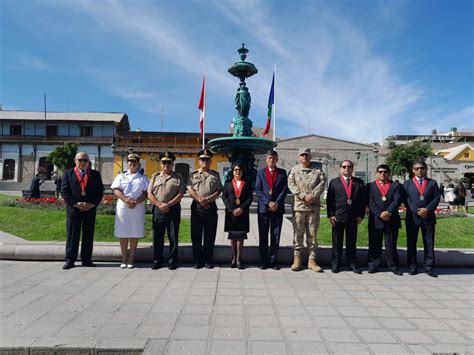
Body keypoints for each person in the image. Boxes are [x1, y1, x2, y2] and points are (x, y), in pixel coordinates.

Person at [61, 152, 104, 269]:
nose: (83, 163)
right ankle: (70, 260)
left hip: (89, 210)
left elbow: (100, 192)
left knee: (88, 236)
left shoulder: (95, 174)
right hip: (74, 210)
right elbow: (64, 192)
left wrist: (92, 204)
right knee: (72, 236)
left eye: (85, 160)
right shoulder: (68, 173)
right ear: (75, 160)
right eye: (80, 160)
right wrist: (75, 203)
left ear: (89, 162)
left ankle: (86, 259)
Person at [287, 148, 326, 272]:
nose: (305, 157)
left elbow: (322, 183)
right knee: (298, 232)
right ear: (299, 157)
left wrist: (312, 195)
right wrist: (303, 196)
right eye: (302, 155)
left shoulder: (318, 170)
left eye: (307, 155)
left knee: (312, 233)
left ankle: (312, 260)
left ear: (310, 156)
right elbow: (291, 184)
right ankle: (297, 258)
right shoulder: (294, 170)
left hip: (313, 207)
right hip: (299, 206)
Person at [148, 151, 185, 270]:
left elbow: (180, 194)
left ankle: (172, 260)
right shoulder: (154, 176)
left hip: (173, 209)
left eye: (169, 163)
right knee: (158, 236)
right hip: (158, 209)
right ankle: (157, 260)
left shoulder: (178, 177)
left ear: (172, 164)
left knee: (173, 236)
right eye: (164, 162)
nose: (166, 165)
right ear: (161, 164)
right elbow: (149, 193)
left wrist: (168, 204)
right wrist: (159, 204)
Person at [326, 160, 366, 274]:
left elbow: (363, 201)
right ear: (340, 168)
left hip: (353, 217)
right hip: (338, 217)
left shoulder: (359, 183)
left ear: (352, 168)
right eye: (344, 166)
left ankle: (352, 263)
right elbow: (330, 200)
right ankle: (335, 264)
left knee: (352, 241)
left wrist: (361, 215)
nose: (346, 168)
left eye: (349, 166)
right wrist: (331, 215)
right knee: (337, 241)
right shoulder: (334, 182)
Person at [111, 153, 149, 269]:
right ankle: (123, 258)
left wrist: (136, 202)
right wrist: (126, 200)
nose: (132, 164)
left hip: (137, 207)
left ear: (138, 164)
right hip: (123, 207)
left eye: (135, 162)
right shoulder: (121, 176)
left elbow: (146, 193)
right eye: (130, 162)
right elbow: (116, 190)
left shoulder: (143, 178)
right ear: (127, 163)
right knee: (123, 233)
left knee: (134, 233)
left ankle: (131, 258)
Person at [403, 160, 441, 277]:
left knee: (429, 243)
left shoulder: (432, 183)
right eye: (417, 168)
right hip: (413, 217)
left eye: (422, 168)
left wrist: (427, 210)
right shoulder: (407, 183)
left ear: (425, 169)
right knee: (411, 243)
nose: (420, 170)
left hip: (428, 217)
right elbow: (406, 199)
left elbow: (436, 198)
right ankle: (412, 267)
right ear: (413, 170)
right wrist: (416, 211)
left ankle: (429, 267)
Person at [187, 149, 222, 269]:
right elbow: (190, 189)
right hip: (197, 207)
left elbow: (219, 190)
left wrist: (208, 199)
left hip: (211, 207)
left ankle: (208, 260)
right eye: (202, 160)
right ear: (199, 161)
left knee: (210, 235)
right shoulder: (193, 174)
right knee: (196, 235)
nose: (205, 162)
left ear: (210, 161)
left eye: (207, 160)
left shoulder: (215, 175)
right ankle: (197, 260)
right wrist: (200, 199)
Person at [366, 164, 403, 275]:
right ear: (377, 173)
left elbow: (397, 200)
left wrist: (388, 212)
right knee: (374, 243)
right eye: (380, 172)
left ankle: (392, 265)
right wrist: (379, 213)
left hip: (391, 219)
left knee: (391, 244)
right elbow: (370, 201)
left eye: (385, 172)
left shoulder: (396, 186)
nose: (383, 174)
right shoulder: (370, 186)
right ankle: (373, 264)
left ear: (389, 173)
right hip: (375, 219)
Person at [255, 150, 288, 270]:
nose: (271, 160)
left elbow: (284, 190)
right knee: (263, 235)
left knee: (276, 234)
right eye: (269, 158)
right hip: (264, 208)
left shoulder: (282, 173)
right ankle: (263, 260)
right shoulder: (260, 173)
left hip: (277, 209)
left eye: (274, 158)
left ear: (277, 159)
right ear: (266, 159)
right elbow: (258, 189)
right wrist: (268, 202)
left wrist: (277, 203)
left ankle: (273, 260)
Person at [222, 163, 253, 269]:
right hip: (231, 214)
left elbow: (249, 198)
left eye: (239, 170)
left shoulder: (247, 184)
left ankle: (239, 259)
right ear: (232, 171)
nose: (237, 171)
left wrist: (241, 208)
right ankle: (233, 258)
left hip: (242, 213)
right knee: (232, 236)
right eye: (235, 170)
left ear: (242, 172)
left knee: (240, 236)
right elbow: (224, 197)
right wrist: (231, 209)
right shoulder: (227, 183)